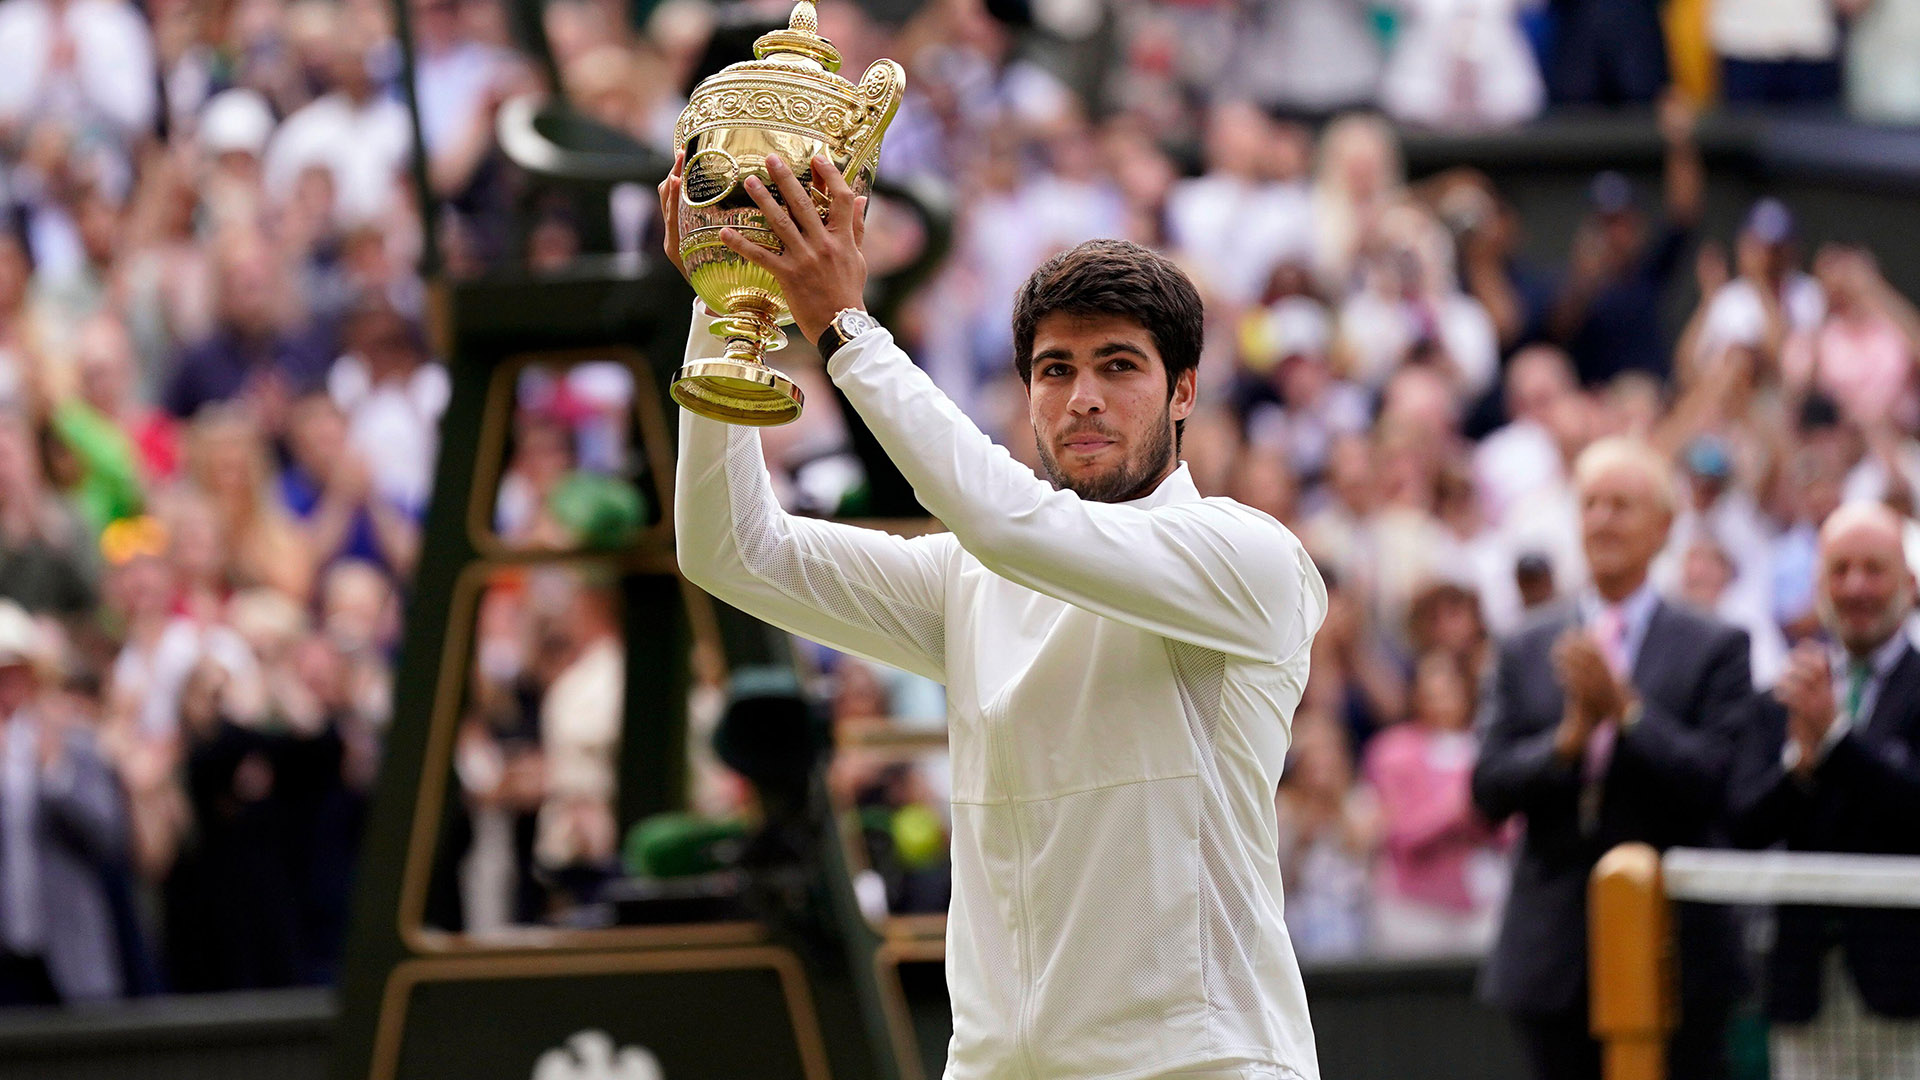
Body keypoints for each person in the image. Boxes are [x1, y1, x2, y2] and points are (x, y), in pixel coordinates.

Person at [665, 152, 1328, 1079]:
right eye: (1055, 370)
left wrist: (846, 328)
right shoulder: (973, 575)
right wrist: (724, 298)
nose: (1083, 397)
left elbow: (1009, 525)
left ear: (1183, 392)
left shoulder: (1250, 559)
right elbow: (731, 548)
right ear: (1027, 396)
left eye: (1119, 366)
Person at [1471, 437, 1751, 1080]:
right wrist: (1566, 743)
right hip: (1550, 957)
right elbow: (1487, 790)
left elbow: (1721, 787)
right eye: (1591, 504)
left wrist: (1628, 713)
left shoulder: (1715, 645)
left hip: (1678, 953)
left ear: (1664, 526)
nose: (1602, 520)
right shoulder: (1523, 645)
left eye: (1622, 505)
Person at [1726, 502, 1920, 1080]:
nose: (1856, 587)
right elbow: (1742, 824)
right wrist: (1800, 768)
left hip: (1907, 994)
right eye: (1840, 570)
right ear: (1817, 586)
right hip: (1804, 990)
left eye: (1873, 569)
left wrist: (1835, 742)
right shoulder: (1785, 695)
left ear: (1910, 584)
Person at [0, 600, 128, 1005]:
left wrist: (54, 770)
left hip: (69, 956)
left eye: (16, 670)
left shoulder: (72, 742)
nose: (8, 685)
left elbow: (108, 834)